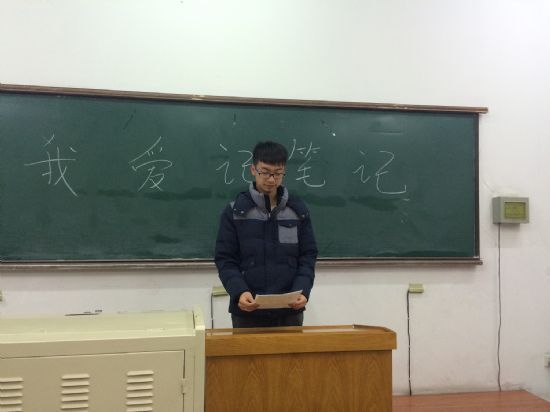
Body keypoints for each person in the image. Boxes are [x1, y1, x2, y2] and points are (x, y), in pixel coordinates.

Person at [215, 141, 318, 328]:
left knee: (292, 350)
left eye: (278, 173)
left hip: (289, 310)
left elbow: (308, 256)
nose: (271, 179)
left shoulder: (298, 211)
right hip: (248, 310)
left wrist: (303, 290)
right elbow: (225, 259)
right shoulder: (236, 212)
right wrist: (239, 292)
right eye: (265, 172)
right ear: (253, 170)